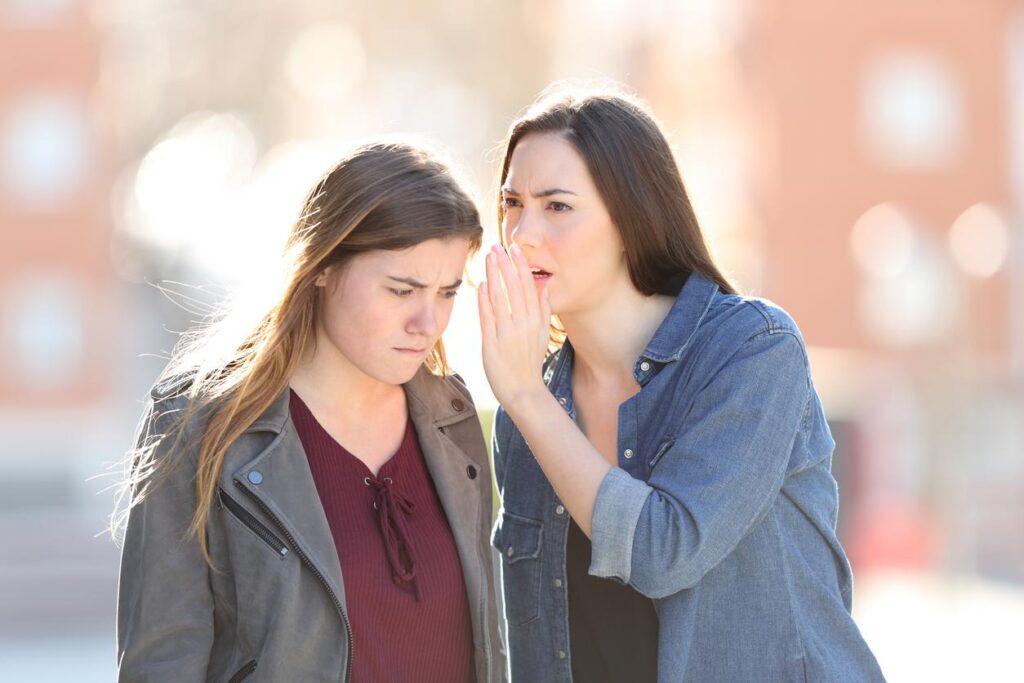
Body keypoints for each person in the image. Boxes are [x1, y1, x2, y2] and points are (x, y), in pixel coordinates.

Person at [477, 86, 886, 682]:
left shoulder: (751, 351)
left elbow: (662, 552)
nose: (521, 234)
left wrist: (526, 399)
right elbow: (532, 644)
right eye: (512, 203)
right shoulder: (528, 412)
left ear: (631, 219)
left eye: (557, 206)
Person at [114, 141, 505, 683]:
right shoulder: (197, 426)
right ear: (322, 266)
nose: (428, 323)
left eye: (446, 293)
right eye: (401, 291)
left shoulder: (451, 417)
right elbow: (161, 664)